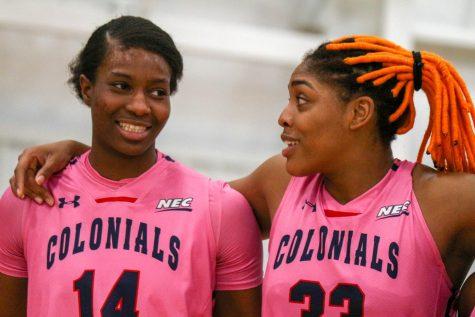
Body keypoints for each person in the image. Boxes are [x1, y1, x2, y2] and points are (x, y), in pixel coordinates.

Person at [10, 35, 475, 316]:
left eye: (302, 100)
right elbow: (165, 200)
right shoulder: (280, 183)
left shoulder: (441, 200)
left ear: (357, 113)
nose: (284, 116)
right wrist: (84, 155)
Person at [0, 16, 263, 317]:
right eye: (122, 86)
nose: (140, 106)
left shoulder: (221, 209)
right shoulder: (27, 200)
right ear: (87, 89)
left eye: (157, 92)